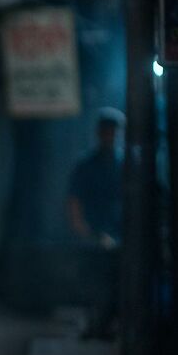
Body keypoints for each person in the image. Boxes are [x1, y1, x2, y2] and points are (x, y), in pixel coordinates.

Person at [66, 107, 125, 337]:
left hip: (120, 236)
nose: (110, 135)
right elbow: (74, 201)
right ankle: (96, 326)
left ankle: (110, 327)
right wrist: (84, 231)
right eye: (107, 130)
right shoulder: (87, 165)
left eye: (114, 131)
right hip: (94, 237)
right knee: (95, 287)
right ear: (100, 132)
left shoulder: (124, 163)